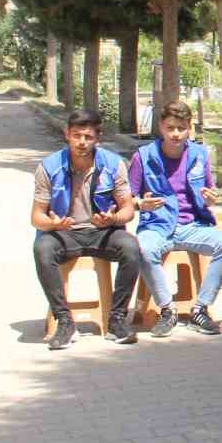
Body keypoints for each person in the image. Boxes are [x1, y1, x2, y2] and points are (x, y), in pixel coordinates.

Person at [32, 108, 142, 349]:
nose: (82, 142)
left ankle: (117, 319)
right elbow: (37, 217)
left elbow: (128, 210)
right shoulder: (49, 166)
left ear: (98, 138)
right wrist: (53, 224)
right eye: (76, 135)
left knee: (131, 247)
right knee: (42, 248)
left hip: (102, 231)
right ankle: (64, 321)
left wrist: (112, 219)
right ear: (67, 135)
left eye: (88, 137)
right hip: (64, 233)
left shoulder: (113, 164)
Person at [130, 101, 222, 336]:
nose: (175, 134)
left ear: (189, 128)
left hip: (194, 225)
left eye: (181, 128)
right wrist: (140, 203)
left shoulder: (199, 154)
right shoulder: (143, 156)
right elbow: (128, 198)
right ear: (160, 127)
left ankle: (200, 309)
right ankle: (168, 309)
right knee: (144, 250)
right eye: (170, 128)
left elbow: (208, 192)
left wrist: (210, 200)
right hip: (157, 226)